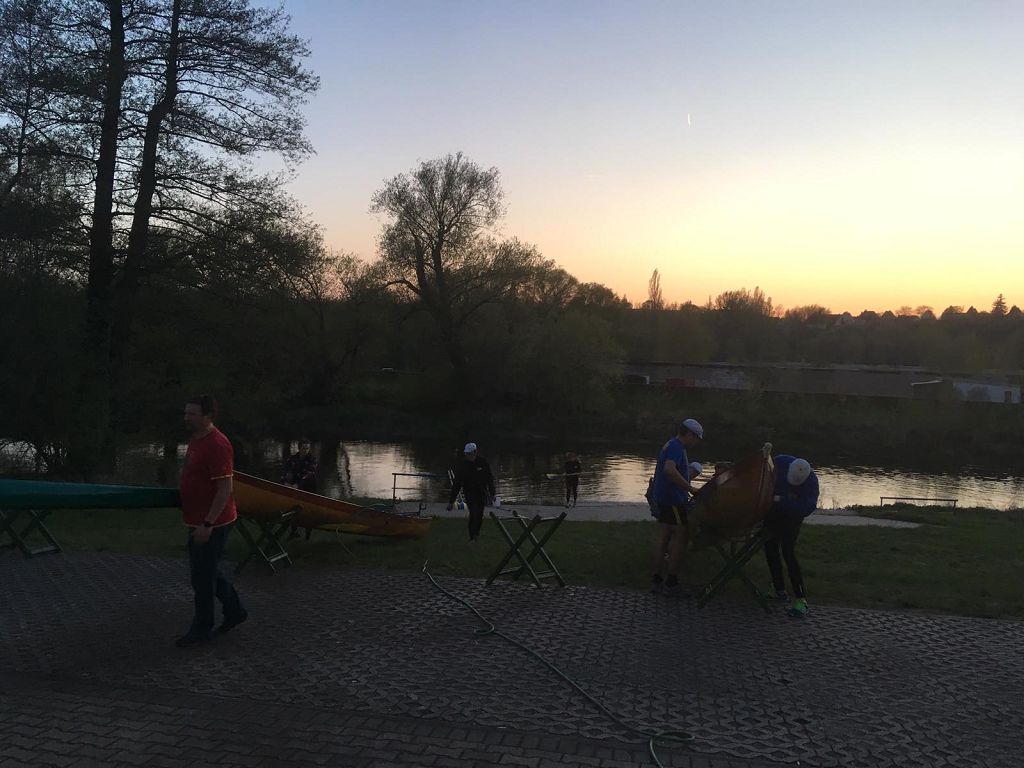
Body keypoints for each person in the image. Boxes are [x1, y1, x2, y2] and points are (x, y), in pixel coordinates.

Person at [177, 395, 247, 647]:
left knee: (202, 579)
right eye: (186, 413)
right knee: (206, 572)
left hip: (213, 523)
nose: (186, 418)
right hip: (196, 519)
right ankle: (235, 611)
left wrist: (207, 524)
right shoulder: (197, 439)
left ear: (207, 416)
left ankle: (201, 629)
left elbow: (224, 489)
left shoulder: (218, 444)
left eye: (192, 414)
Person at [650, 418, 704, 596]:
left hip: (663, 499)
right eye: (696, 438)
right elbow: (669, 469)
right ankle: (671, 583)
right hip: (673, 500)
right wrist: (690, 488)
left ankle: (657, 580)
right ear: (689, 434)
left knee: (664, 539)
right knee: (682, 537)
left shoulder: (670, 444)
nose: (696, 443)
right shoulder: (676, 447)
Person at [763, 455, 819, 618]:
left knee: (788, 552)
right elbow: (766, 466)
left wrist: (782, 499)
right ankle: (779, 589)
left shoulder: (811, 484)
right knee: (770, 547)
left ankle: (801, 600)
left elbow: (804, 509)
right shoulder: (782, 461)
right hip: (774, 512)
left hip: (793, 518)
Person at [446, 442, 496, 542]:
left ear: (475, 452)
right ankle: (472, 536)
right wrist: (451, 501)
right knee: (474, 512)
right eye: (466, 454)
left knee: (480, 514)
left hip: (481, 492)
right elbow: (456, 484)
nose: (468, 456)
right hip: (469, 492)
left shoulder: (482, 462)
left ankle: (476, 533)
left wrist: (492, 493)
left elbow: (489, 478)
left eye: (470, 453)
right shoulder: (463, 465)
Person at [281, 439, 318, 539]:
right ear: (299, 448)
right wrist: (285, 482)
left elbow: (309, 474)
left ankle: (307, 535)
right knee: (294, 508)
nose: (305, 451)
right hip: (294, 487)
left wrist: (298, 485)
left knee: (309, 511)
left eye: (307, 448)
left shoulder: (312, 460)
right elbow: (284, 471)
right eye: (303, 448)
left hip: (308, 487)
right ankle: (293, 532)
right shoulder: (292, 459)